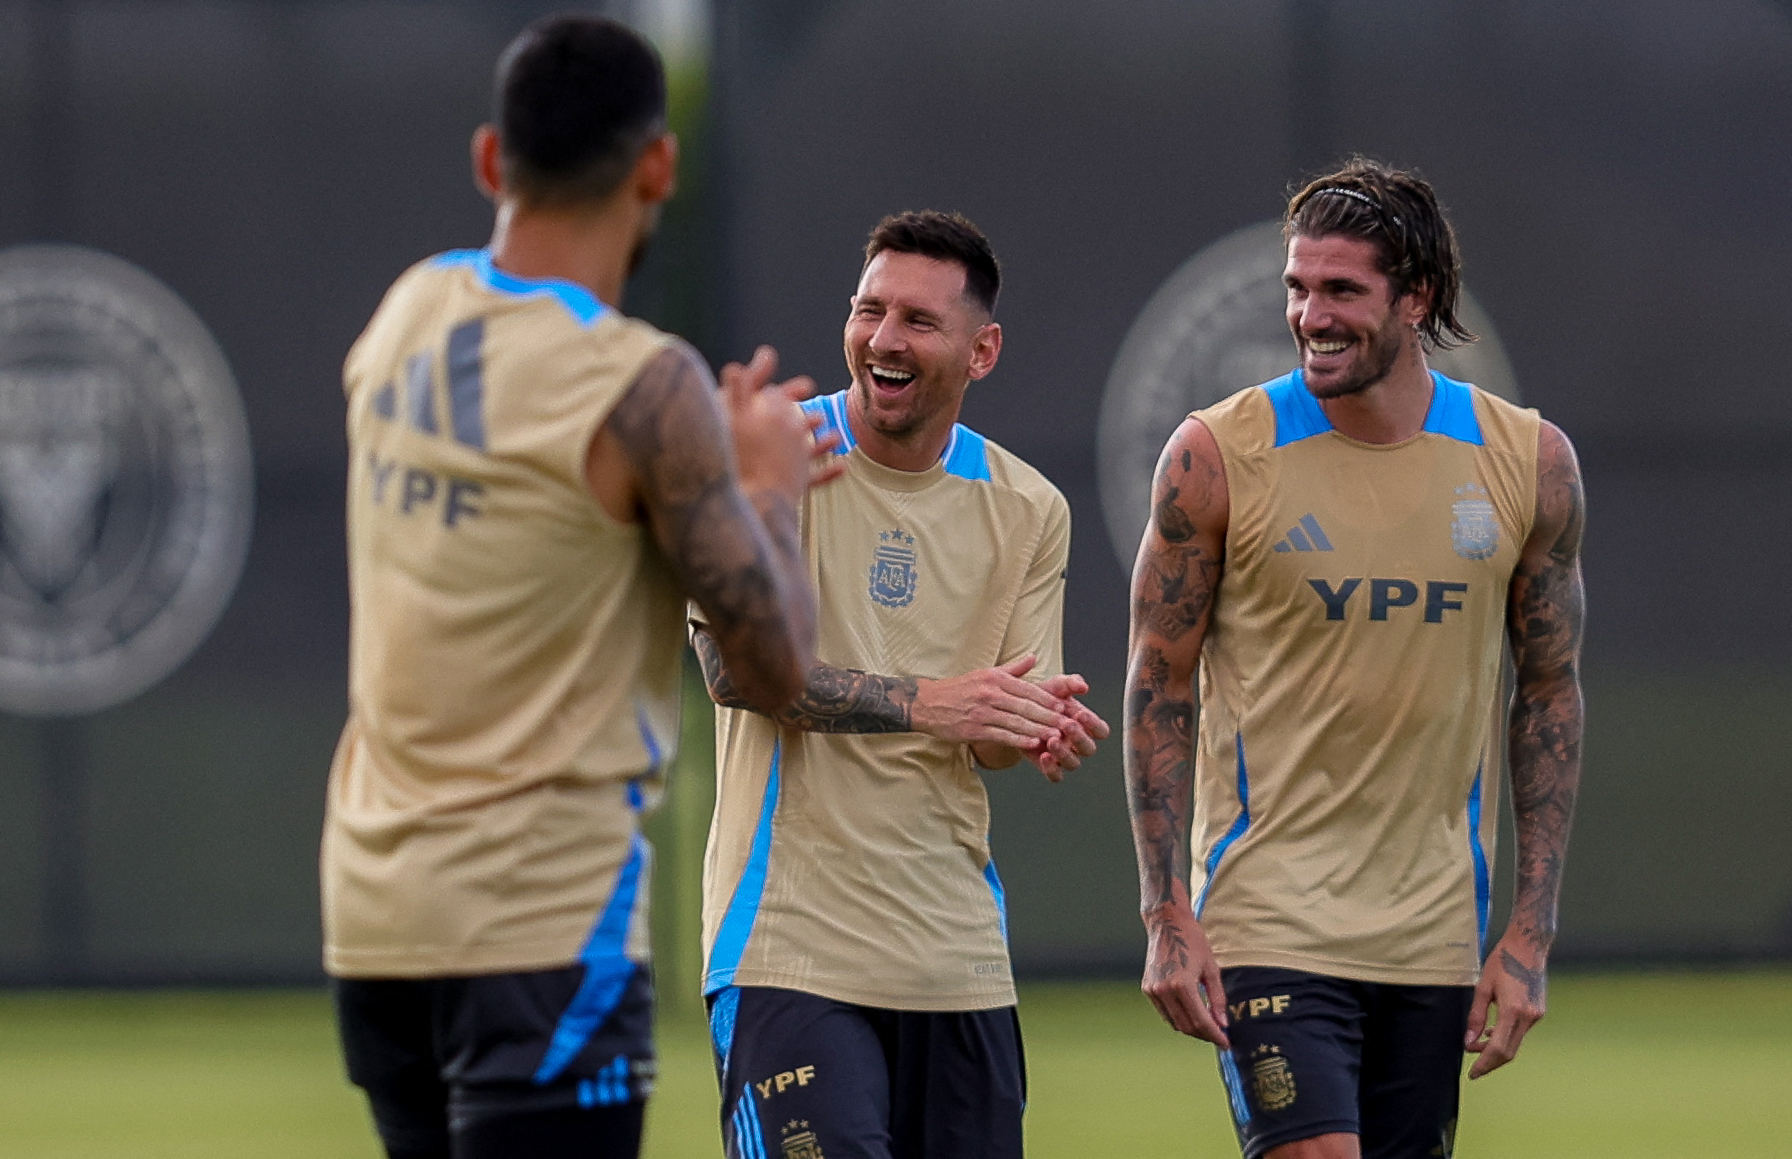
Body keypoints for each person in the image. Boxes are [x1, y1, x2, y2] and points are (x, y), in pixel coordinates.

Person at [320, 16, 834, 1159]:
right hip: (540, 927)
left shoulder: (406, 311)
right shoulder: (645, 389)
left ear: (491, 161)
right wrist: (770, 488)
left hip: (375, 922)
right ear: (658, 165)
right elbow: (775, 667)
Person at [1123, 158, 1585, 1159]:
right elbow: (1158, 684)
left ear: (1415, 297)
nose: (1309, 315)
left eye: (1341, 290)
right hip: (1263, 918)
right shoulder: (1214, 456)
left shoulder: (1526, 462)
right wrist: (1165, 908)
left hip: (1432, 934)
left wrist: (1531, 932)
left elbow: (1548, 693)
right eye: (1297, 287)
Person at [691, 210, 1111, 1159]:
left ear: (982, 351)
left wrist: (1030, 726)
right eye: (868, 310)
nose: (882, 339)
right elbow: (733, 670)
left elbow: (994, 736)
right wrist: (929, 700)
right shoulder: (767, 457)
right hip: (786, 951)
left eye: (918, 321)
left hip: (955, 963)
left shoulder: (1029, 507)